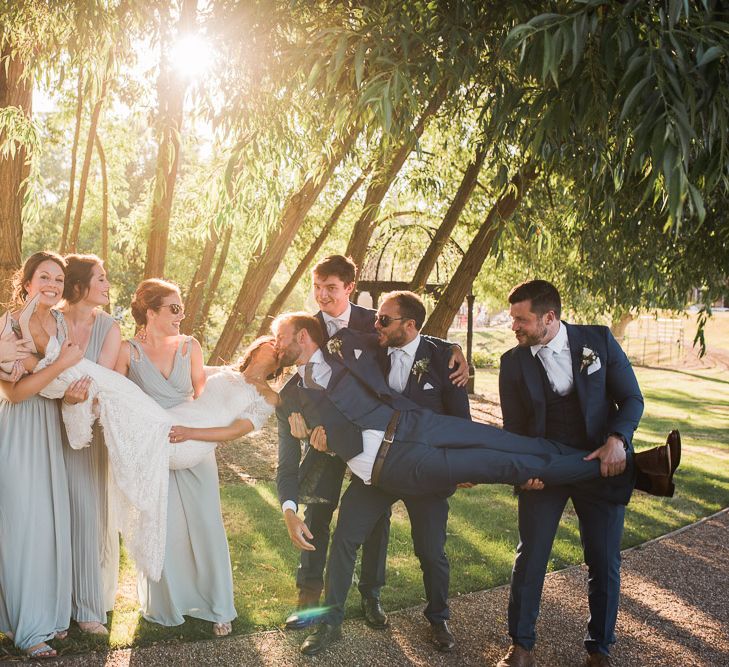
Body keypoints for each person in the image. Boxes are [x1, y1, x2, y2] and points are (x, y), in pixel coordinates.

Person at [271, 311, 678, 655]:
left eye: (278, 339)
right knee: (346, 538)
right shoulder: (291, 398)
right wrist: (302, 470)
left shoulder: (344, 346)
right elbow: (287, 463)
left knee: (508, 457)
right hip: (378, 472)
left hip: (413, 434)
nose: (275, 346)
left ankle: (439, 621)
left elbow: (403, 330)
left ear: (303, 337)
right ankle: (331, 624)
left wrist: (452, 349)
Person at [279, 255, 469, 631]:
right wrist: (290, 413)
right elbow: (285, 362)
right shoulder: (307, 326)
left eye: (331, 288)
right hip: (324, 441)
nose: (322, 295)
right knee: (318, 513)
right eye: (317, 287)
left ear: (350, 287)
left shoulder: (374, 321)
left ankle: (371, 594)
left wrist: (454, 349)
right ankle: (309, 601)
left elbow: (415, 336)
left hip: (373, 441)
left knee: (376, 520)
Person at [496, 280, 676, 667]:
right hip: (544, 470)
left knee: (604, 558)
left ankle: (600, 649)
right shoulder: (513, 363)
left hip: (601, 466)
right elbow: (514, 428)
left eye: (521, 319)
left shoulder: (599, 340)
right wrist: (521, 472)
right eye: (513, 319)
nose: (515, 327)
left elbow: (631, 398)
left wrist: (618, 439)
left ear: (549, 317)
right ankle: (521, 646)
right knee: (532, 555)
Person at [114, 279, 236, 637]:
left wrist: (201, 434)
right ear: (150, 312)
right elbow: (118, 401)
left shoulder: (190, 346)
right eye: (174, 308)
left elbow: (203, 395)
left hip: (194, 445)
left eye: (181, 308)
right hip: (154, 449)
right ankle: (169, 603)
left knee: (206, 524)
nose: (181, 315)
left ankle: (218, 605)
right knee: (163, 527)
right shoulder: (127, 351)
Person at [0, 251, 83, 659]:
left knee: (49, 525)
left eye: (59, 280)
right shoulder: (8, 324)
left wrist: (71, 390)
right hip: (19, 429)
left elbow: (62, 380)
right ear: (27, 281)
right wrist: (62, 364)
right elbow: (13, 392)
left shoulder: (62, 322)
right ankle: (29, 630)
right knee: (25, 526)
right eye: (44, 277)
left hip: (52, 427)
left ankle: (47, 615)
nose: (52, 285)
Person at [59, 254, 121, 635]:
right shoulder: (52, 320)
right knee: (52, 516)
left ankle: (87, 607)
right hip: (47, 425)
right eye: (100, 278)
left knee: (86, 515)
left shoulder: (109, 327)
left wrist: (80, 401)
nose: (107, 285)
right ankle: (53, 603)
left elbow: (104, 384)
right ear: (79, 285)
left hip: (89, 433)